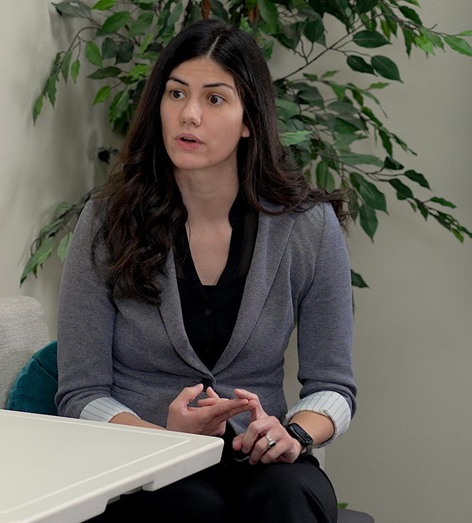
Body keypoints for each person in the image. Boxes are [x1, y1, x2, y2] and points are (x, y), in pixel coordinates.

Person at [55, 19, 356, 523]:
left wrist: (293, 433)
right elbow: (80, 393)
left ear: (249, 120)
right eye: (176, 94)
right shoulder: (106, 222)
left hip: (260, 458)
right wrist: (163, 440)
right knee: (190, 508)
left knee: (289, 497)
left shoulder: (308, 226)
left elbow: (334, 386)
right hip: (143, 457)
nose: (189, 114)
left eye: (214, 99)